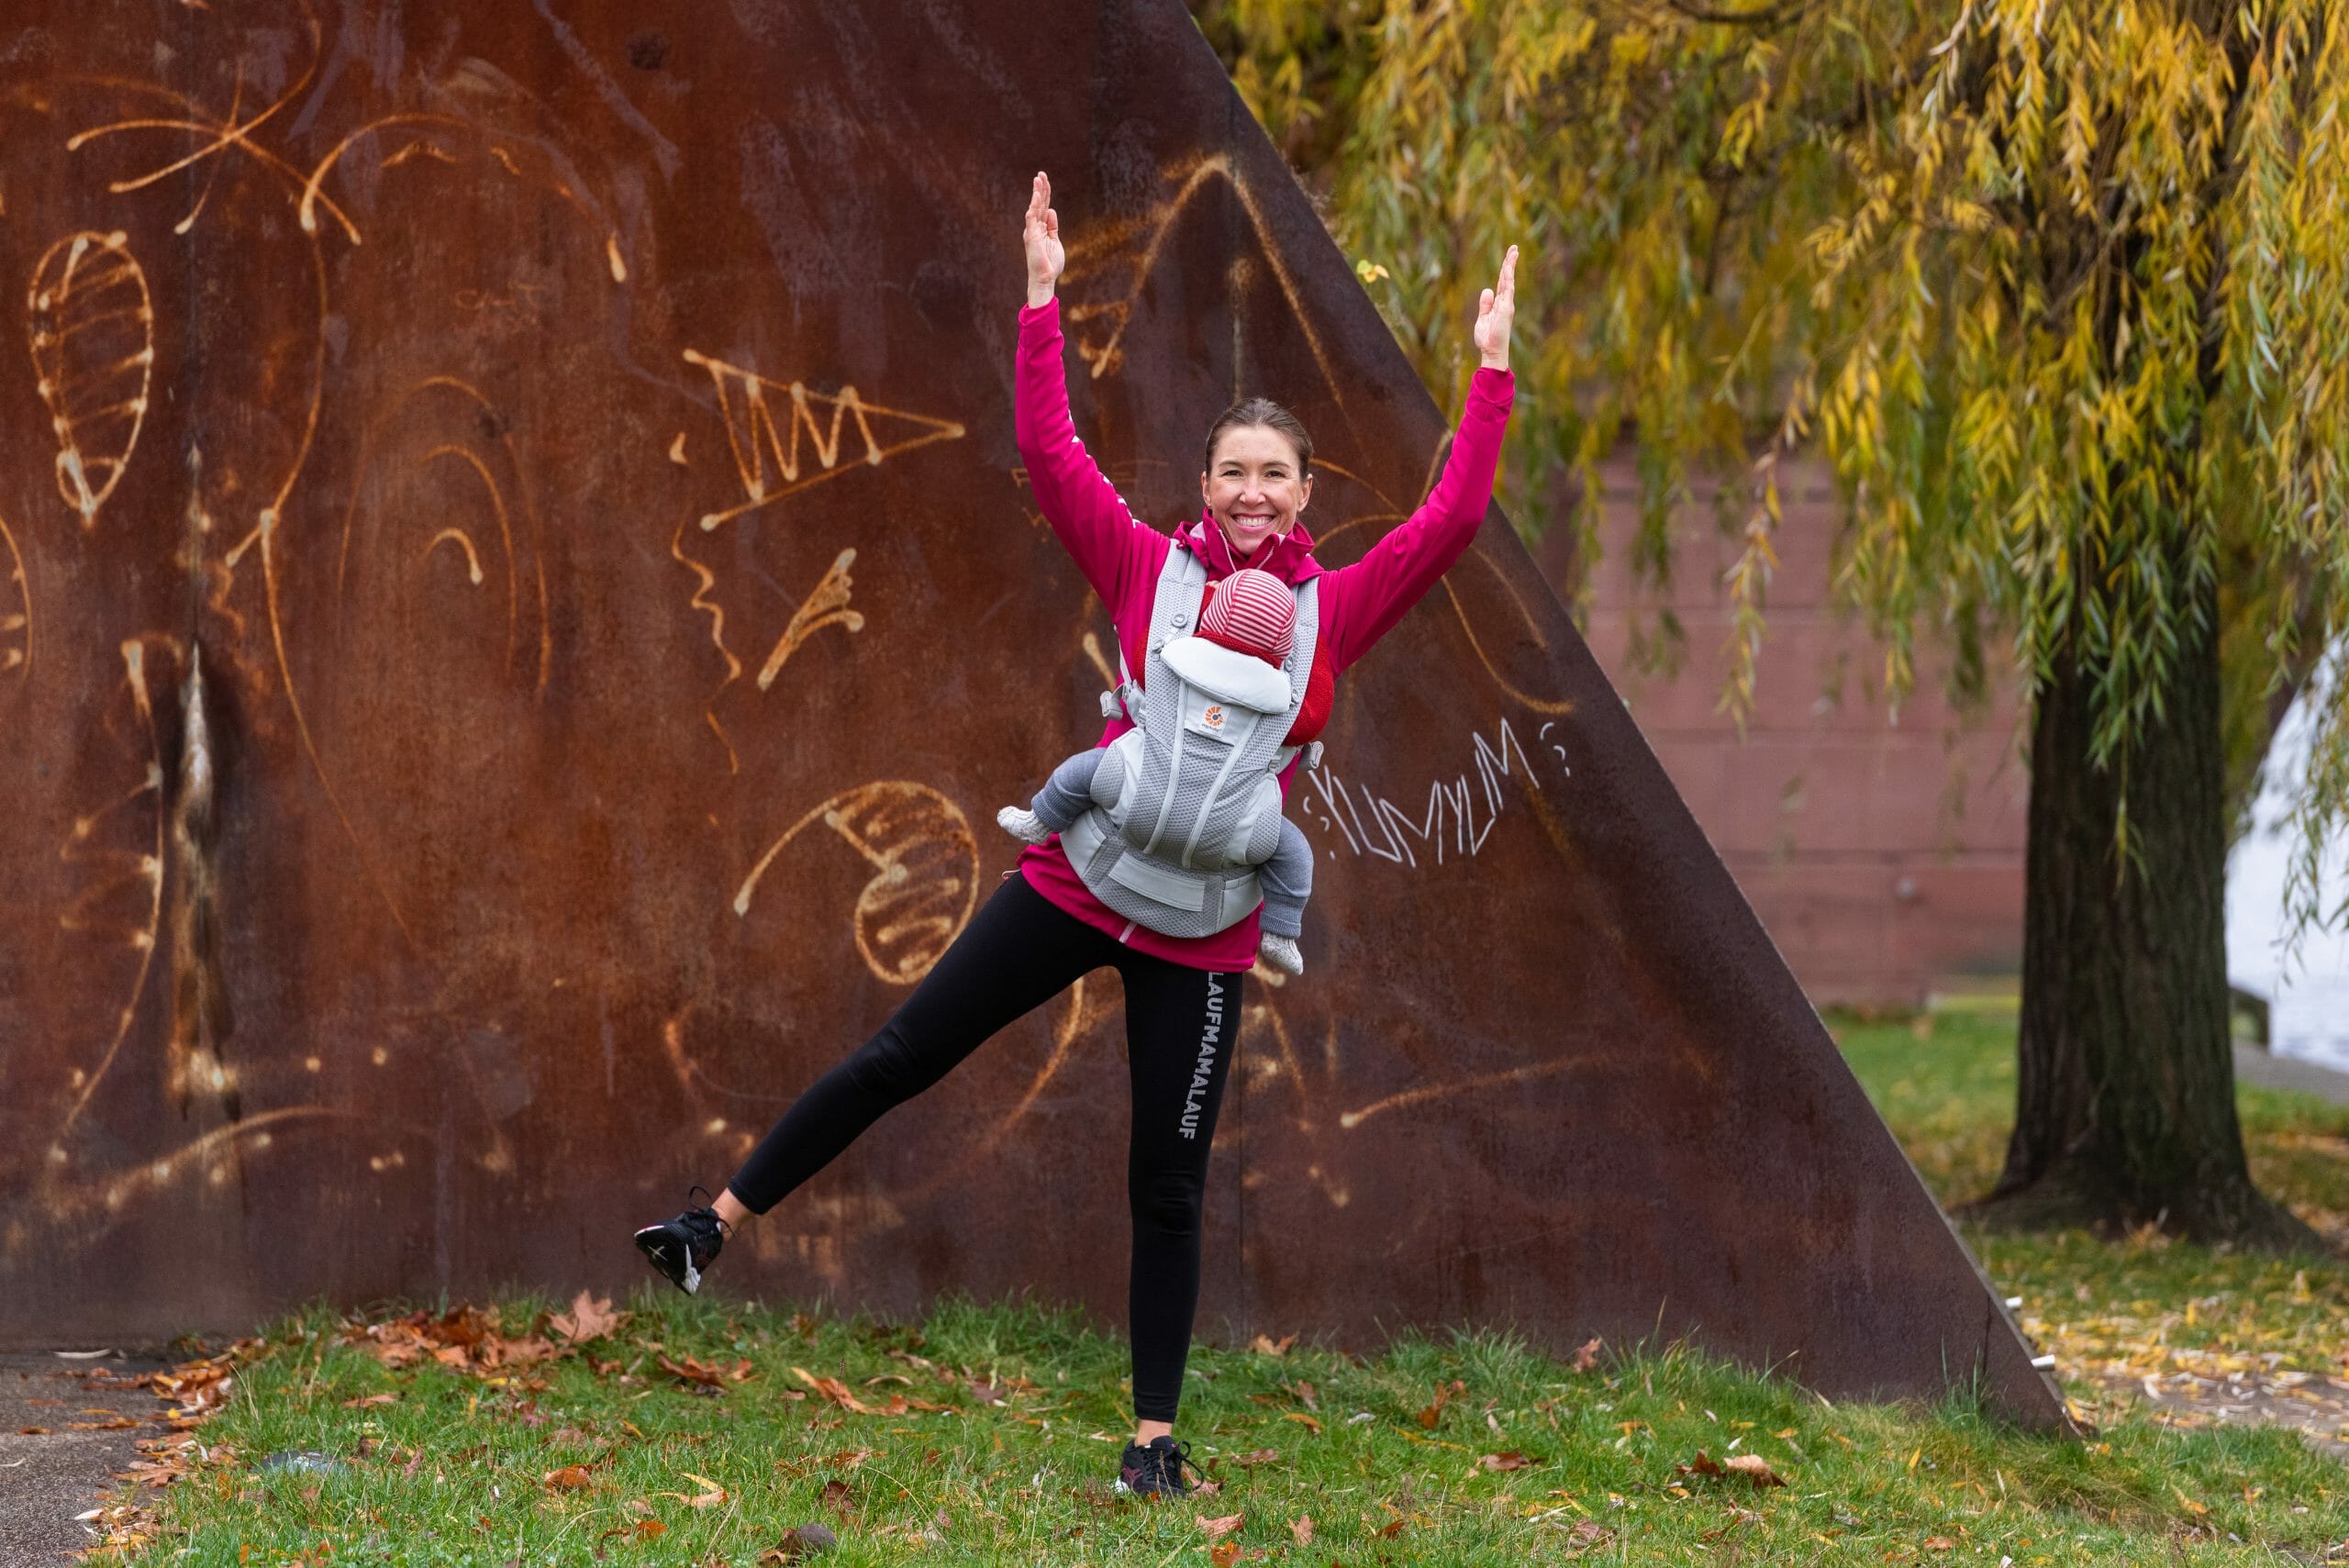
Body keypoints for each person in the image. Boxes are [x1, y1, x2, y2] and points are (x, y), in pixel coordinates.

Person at [636, 170, 1518, 1501]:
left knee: (1165, 1180)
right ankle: (715, 1223)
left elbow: (1449, 521)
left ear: (1305, 490)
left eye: (1276, 475)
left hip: (1208, 935)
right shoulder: (1144, 569)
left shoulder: (1337, 607)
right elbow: (1052, 457)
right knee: (902, 1053)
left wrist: (1491, 374)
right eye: (1234, 471)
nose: (1254, 493)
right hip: (1075, 882)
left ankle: (1152, 1441)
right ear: (1206, 485)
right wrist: (1041, 297)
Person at [996, 565, 1319, 976]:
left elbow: (1142, 657)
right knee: (1292, 853)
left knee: (1085, 772)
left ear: (1211, 616)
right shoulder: (1283, 695)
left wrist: (1201, 601)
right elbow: (1309, 719)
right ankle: (1281, 931)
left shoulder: (1177, 654)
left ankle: (1040, 819)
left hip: (1138, 786)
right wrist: (1307, 655)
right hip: (1236, 824)